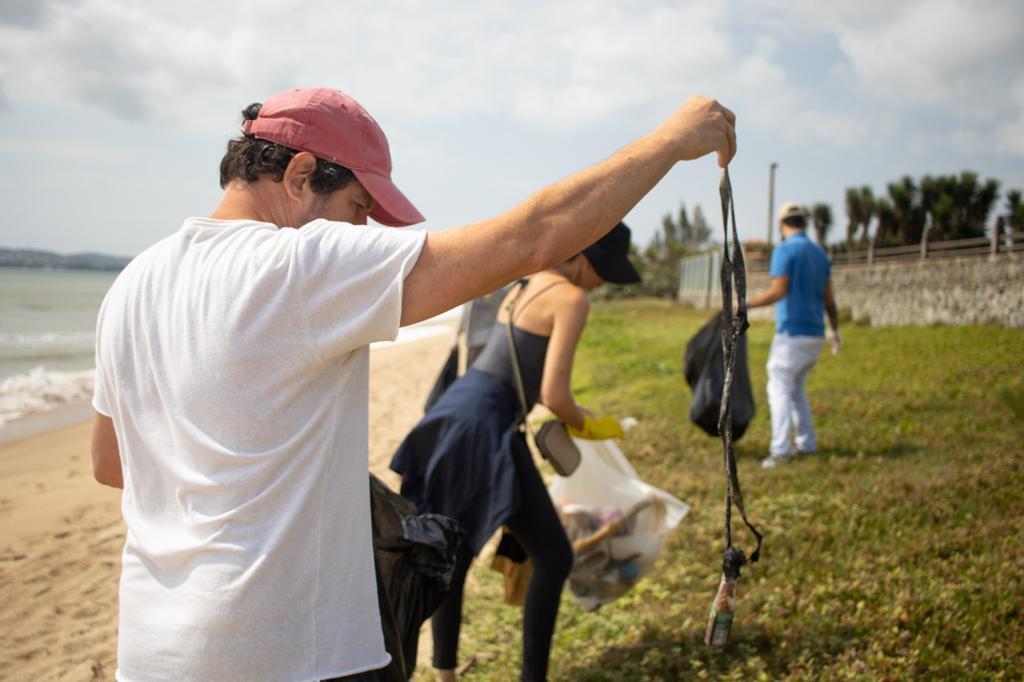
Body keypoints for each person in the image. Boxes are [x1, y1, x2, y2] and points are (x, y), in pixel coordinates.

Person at [89, 86, 735, 682]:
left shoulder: (132, 286)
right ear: (300, 174)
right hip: (285, 650)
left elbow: (114, 465)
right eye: (357, 208)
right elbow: (531, 237)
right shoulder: (302, 264)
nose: (361, 232)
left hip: (153, 648)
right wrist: (669, 142)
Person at [390, 222, 640, 681]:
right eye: (606, 272)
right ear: (588, 260)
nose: (604, 283)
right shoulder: (571, 298)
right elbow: (555, 394)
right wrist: (591, 424)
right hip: (485, 427)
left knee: (454, 551)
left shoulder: (528, 281)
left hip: (458, 413)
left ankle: (444, 674)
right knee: (554, 557)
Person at [746, 202, 840, 469]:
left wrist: (744, 304)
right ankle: (806, 443)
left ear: (781, 224)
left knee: (779, 387)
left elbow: (778, 291)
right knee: (796, 388)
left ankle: (780, 450)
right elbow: (829, 299)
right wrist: (834, 329)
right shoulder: (820, 254)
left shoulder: (785, 250)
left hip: (792, 333)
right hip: (815, 334)